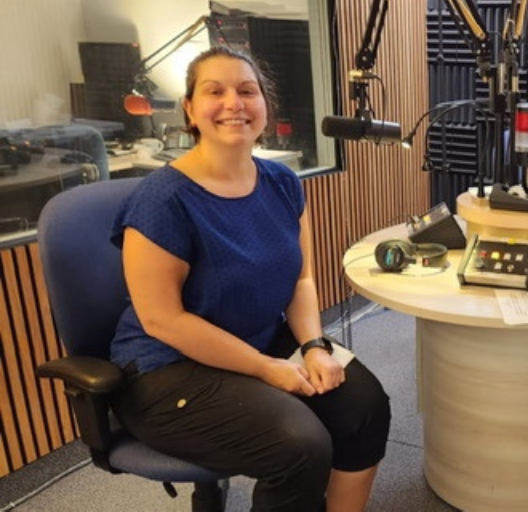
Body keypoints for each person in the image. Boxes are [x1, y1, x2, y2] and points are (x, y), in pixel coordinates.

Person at [108, 46, 391, 512]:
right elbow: (163, 321)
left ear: (264, 105)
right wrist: (269, 370)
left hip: (259, 340)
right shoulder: (162, 201)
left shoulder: (282, 182)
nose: (234, 103)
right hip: (168, 371)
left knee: (364, 406)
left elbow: (301, 278)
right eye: (214, 91)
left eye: (246, 90)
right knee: (300, 447)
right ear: (190, 109)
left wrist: (314, 347)